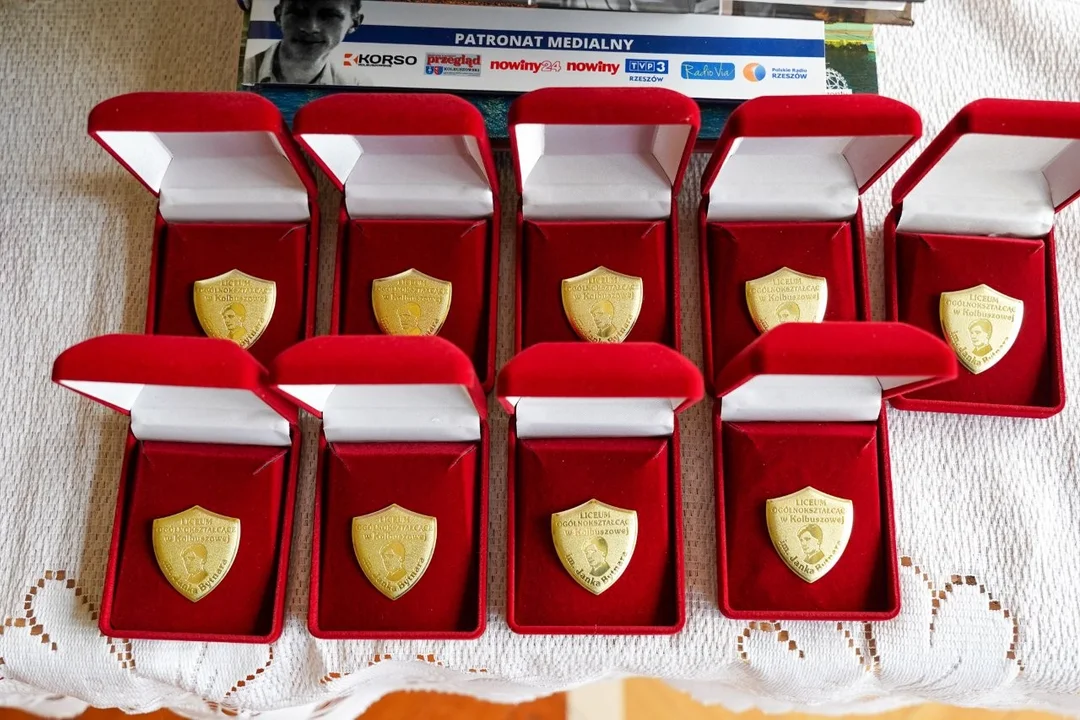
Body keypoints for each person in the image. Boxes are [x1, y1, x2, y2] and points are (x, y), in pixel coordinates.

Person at [244, 0, 364, 85]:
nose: (311, 28)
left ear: (354, 23)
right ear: (278, 16)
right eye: (298, 13)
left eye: (329, 16)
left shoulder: (355, 84)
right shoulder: (245, 71)